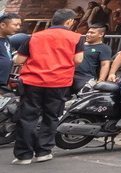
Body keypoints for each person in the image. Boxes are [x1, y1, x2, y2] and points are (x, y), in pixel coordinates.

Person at [10, 8, 83, 164]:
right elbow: (78, 60)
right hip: (59, 82)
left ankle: (24, 155)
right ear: (69, 22)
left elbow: (19, 60)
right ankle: (44, 151)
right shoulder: (76, 38)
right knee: (51, 116)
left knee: (27, 117)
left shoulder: (35, 36)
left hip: (32, 81)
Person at [73, 23, 115, 92]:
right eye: (88, 32)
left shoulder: (104, 48)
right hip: (70, 74)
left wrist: (100, 81)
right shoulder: (79, 44)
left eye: (92, 33)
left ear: (101, 34)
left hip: (85, 77)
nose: (88, 35)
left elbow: (105, 65)